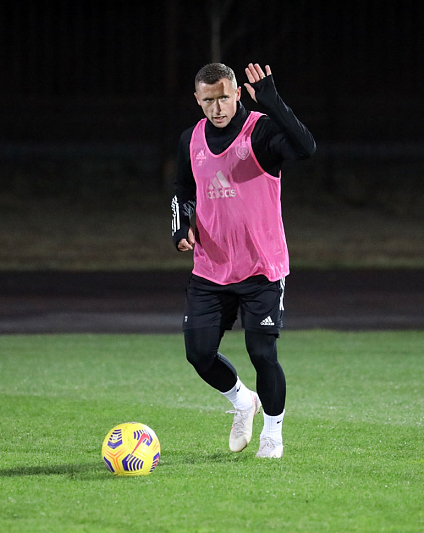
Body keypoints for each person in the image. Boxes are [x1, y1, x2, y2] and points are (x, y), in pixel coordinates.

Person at [171, 62, 316, 458]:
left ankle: (273, 433)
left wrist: (273, 101)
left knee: (262, 353)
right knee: (198, 354)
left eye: (223, 97)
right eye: (208, 100)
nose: (217, 107)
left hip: (261, 267)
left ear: (237, 93)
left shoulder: (261, 130)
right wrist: (180, 225)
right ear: (197, 100)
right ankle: (242, 401)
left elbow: (306, 148)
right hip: (211, 268)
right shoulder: (190, 139)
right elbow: (182, 188)